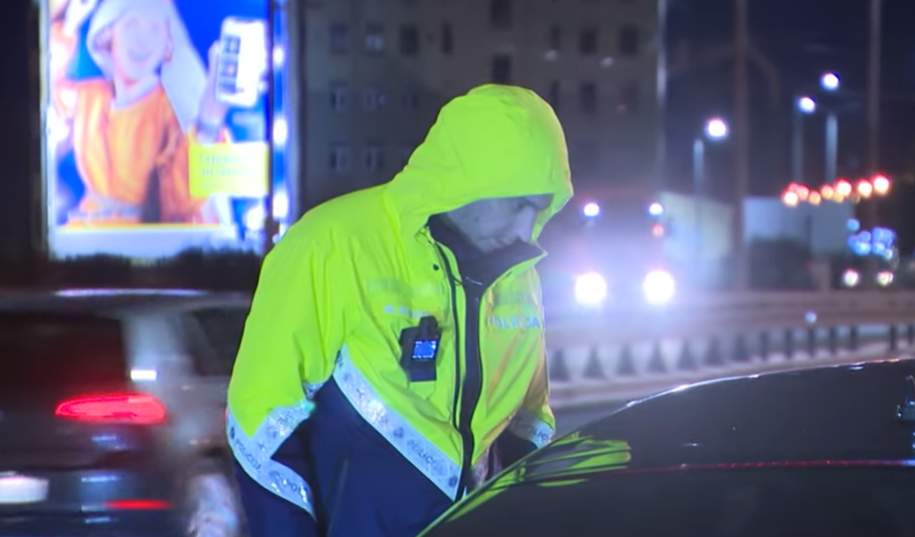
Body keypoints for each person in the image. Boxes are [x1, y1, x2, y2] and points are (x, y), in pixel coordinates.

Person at [226, 83, 573, 536]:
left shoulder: (519, 277)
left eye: (540, 210)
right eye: (519, 205)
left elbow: (528, 425)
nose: (527, 228)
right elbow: (261, 422)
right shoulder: (332, 244)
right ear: (472, 179)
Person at [53, 0, 229, 225]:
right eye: (131, 25)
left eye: (154, 29)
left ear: (167, 45)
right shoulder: (89, 97)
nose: (142, 39)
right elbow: (43, 94)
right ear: (108, 35)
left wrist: (209, 121)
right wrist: (67, 29)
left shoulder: (171, 111)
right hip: (84, 233)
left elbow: (180, 200)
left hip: (146, 238)